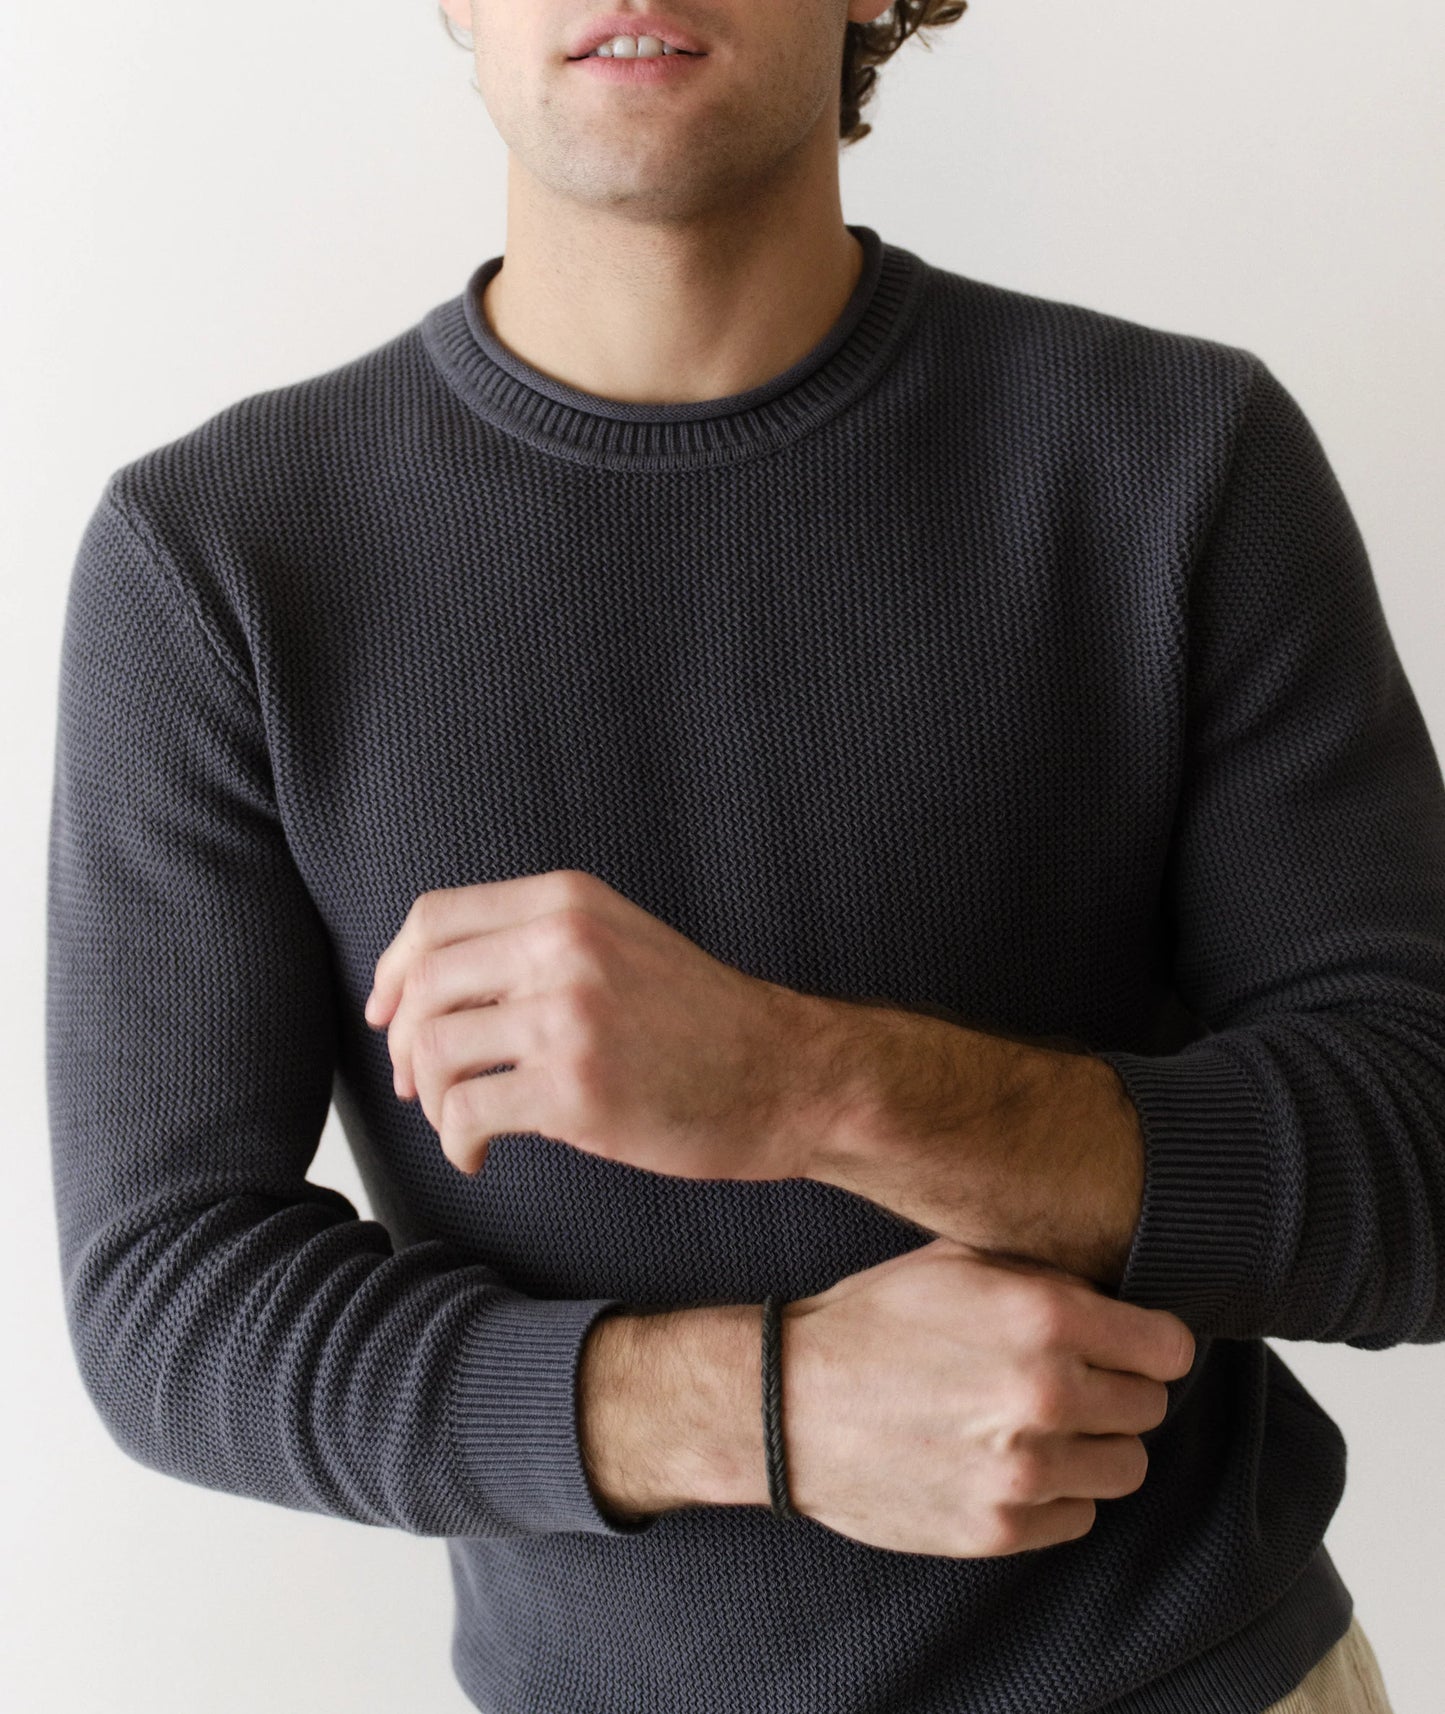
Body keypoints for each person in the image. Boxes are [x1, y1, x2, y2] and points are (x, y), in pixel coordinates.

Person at [45, 2, 1435, 1710]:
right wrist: (754, 1408)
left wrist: (813, 1085)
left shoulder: (1178, 459)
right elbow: (168, 1297)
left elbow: (1421, 1155)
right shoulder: (217, 566)